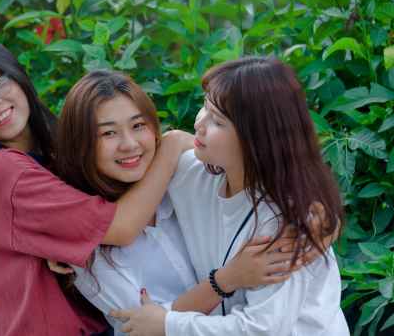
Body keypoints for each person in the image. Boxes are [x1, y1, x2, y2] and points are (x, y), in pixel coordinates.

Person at [0, 37, 192, 336]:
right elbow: (121, 227)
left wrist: (67, 247)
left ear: (17, 75)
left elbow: (94, 214)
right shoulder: (3, 172)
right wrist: (171, 147)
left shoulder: (49, 151)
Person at [52, 70, 326, 335]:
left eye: (138, 125)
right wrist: (226, 279)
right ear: (81, 144)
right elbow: (142, 325)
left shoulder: (184, 176)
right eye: (108, 133)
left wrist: (323, 214)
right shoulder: (86, 244)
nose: (129, 144)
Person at [111, 56, 349, 336]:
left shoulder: (285, 225)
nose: (200, 124)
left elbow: (262, 330)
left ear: (257, 138)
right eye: (204, 106)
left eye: (218, 121)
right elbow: (119, 203)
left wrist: (167, 324)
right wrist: (65, 239)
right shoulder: (193, 174)